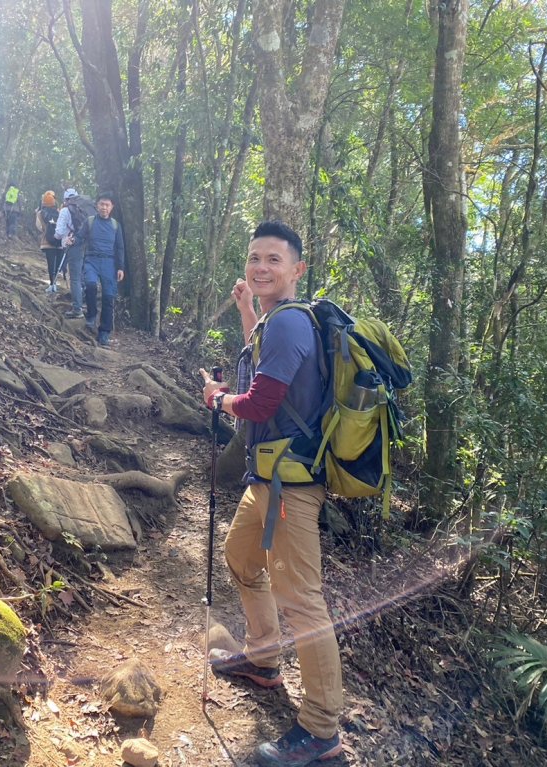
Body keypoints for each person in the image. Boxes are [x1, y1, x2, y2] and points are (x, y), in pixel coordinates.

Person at [199, 220, 343, 766]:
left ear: (297, 269)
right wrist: (246, 314)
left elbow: (259, 403)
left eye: (273, 260)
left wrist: (217, 399)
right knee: (240, 558)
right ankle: (263, 660)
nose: (260, 267)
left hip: (292, 487)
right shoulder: (278, 323)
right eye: (254, 258)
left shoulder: (288, 323)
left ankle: (322, 729)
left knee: (304, 603)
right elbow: (270, 368)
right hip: (270, 478)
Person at [81, 193, 125, 347]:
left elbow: (120, 247)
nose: (104, 207)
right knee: (90, 285)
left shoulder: (115, 225)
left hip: (109, 263)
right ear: (97, 205)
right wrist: (71, 240)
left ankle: (104, 333)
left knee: (108, 298)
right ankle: (91, 315)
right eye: (101, 204)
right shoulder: (90, 222)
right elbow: (80, 237)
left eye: (107, 205)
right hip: (91, 260)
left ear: (111, 207)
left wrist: (120, 267)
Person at [55, 188, 88, 320]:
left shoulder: (65, 210)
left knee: (74, 278)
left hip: (72, 245)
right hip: (87, 245)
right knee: (83, 276)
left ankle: (77, 309)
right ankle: (85, 303)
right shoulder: (85, 209)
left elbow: (59, 232)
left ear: (65, 200)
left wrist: (58, 237)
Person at [36, 191, 64, 292]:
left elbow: (39, 227)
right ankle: (56, 283)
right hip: (59, 242)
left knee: (50, 264)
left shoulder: (40, 213)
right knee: (57, 265)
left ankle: (52, 284)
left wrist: (46, 231)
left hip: (47, 243)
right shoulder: (60, 212)